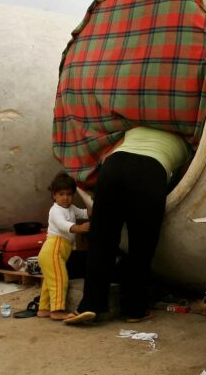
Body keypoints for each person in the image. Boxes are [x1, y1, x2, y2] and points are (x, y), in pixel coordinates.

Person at [64, 126, 189, 325]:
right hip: (150, 172)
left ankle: (90, 305)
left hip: (113, 167)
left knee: (101, 242)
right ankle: (135, 309)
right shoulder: (185, 137)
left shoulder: (133, 128)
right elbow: (183, 179)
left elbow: (106, 156)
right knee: (141, 246)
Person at [38, 172, 90, 321]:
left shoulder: (71, 208)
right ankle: (57, 310)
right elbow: (63, 225)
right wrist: (80, 228)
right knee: (60, 280)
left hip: (59, 250)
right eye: (61, 194)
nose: (65, 198)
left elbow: (84, 213)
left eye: (69, 194)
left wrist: (93, 207)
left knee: (49, 282)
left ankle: (43, 309)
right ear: (54, 195)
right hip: (54, 248)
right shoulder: (55, 210)